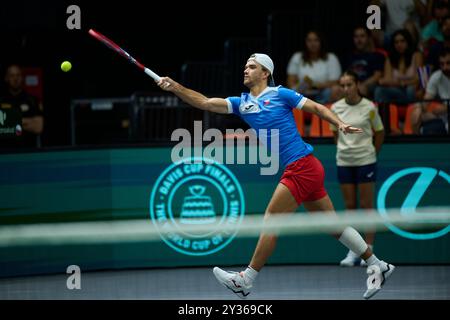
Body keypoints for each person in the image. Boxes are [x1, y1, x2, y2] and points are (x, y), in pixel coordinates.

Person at [157, 53, 395, 300]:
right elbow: (205, 102)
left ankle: (246, 280)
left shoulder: (281, 94)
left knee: (271, 220)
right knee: (333, 226)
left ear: (265, 73)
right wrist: (175, 87)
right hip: (305, 167)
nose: (246, 70)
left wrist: (340, 123)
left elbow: (315, 107)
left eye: (252, 66)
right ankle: (378, 265)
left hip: (301, 166)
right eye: (245, 66)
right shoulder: (242, 103)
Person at [330, 71, 385, 267]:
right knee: (351, 208)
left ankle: (369, 248)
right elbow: (335, 134)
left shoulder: (370, 107)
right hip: (344, 161)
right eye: (343, 85)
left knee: (367, 206)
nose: (346, 89)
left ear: (357, 85)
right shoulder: (335, 108)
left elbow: (379, 132)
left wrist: (371, 153)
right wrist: (345, 149)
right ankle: (354, 251)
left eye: (349, 85)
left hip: (366, 161)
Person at [286, 30, 342, 104]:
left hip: (323, 93)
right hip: (302, 94)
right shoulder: (297, 57)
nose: (313, 44)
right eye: (309, 40)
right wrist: (302, 87)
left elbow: (335, 82)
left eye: (316, 40)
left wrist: (314, 86)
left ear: (321, 42)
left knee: (336, 89)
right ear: (305, 42)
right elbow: (290, 82)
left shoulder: (331, 58)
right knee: (288, 92)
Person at [374, 29, 424, 104]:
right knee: (379, 90)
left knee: (410, 89)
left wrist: (401, 83)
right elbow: (388, 79)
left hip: (412, 91)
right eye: (396, 42)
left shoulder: (417, 55)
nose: (399, 44)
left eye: (402, 41)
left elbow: (419, 78)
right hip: (397, 91)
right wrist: (400, 84)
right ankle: (384, 114)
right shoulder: (390, 59)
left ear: (408, 42)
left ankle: (410, 113)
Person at [0, 64, 44, 148]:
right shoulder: (1, 100)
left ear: (22, 77)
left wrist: (9, 122)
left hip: (28, 151)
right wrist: (27, 122)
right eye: (12, 75)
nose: (15, 78)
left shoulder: (32, 100)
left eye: (18, 75)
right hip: (4, 152)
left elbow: (39, 127)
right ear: (6, 78)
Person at [411, 48, 450, 134]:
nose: (445, 67)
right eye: (442, 64)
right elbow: (426, 100)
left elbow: (445, 109)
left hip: (446, 112)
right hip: (444, 117)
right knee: (417, 115)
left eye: (448, 63)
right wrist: (419, 108)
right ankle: (417, 143)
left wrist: (447, 108)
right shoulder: (436, 76)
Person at [344, 27, 385, 98]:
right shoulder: (349, 56)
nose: (359, 40)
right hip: (352, 85)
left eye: (362, 36)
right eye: (356, 36)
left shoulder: (377, 55)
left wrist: (362, 84)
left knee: (362, 89)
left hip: (369, 85)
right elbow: (346, 74)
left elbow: (377, 76)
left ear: (368, 38)